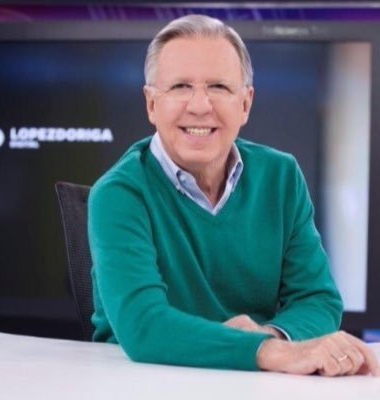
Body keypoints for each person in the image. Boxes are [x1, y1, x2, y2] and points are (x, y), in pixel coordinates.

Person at [88, 14, 380, 376]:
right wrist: (269, 353)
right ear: (151, 104)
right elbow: (144, 327)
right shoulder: (118, 194)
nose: (199, 105)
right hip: (144, 383)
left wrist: (271, 337)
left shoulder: (281, 176)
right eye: (180, 86)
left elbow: (318, 299)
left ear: (245, 104)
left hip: (255, 386)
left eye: (218, 87)